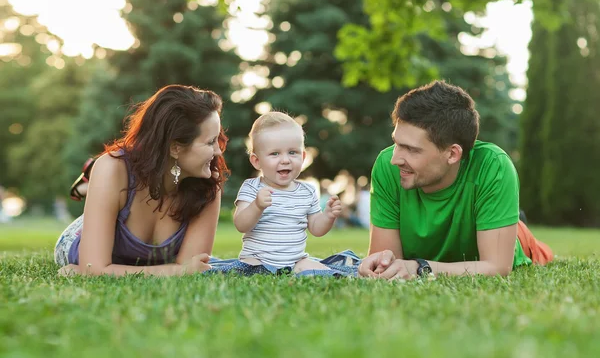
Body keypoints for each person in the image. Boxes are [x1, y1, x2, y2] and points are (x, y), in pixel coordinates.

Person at [358, 80, 553, 280]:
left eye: (411, 149)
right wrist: (383, 262)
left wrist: (420, 268)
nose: (395, 158)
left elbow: (497, 267)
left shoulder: (493, 165)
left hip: (511, 237)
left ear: (452, 154)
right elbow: (388, 265)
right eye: (397, 144)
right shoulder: (387, 166)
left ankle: (515, 219)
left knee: (528, 239)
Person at [54, 85, 228, 277]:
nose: (219, 152)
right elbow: (93, 268)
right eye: (211, 142)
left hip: (130, 184)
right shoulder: (112, 168)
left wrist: (181, 270)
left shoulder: (208, 181)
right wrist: (177, 270)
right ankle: (92, 184)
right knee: (113, 174)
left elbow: (193, 269)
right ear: (175, 148)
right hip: (79, 235)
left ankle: (94, 187)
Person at [233, 111, 343, 273]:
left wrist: (328, 216)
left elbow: (316, 229)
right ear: (257, 161)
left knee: (322, 270)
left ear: (303, 156)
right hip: (257, 259)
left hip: (295, 261)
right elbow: (241, 224)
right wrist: (256, 206)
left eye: (292, 152)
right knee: (249, 268)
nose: (285, 160)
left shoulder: (307, 191)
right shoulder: (252, 187)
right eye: (275, 153)